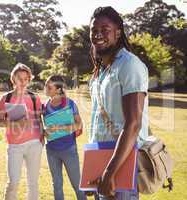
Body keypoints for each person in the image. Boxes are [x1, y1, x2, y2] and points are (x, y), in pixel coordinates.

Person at [88, 6, 149, 200]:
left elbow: (133, 124)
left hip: (121, 166)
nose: (98, 34)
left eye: (105, 29)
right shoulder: (101, 70)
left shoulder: (129, 65)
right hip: (101, 161)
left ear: (118, 32)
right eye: (94, 30)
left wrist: (109, 172)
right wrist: (92, 169)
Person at [0, 63, 43, 200]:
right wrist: (16, 123)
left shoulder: (35, 98)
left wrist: (41, 138)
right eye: (19, 78)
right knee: (13, 182)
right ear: (13, 79)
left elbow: (39, 119)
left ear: (29, 80)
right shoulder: (6, 98)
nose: (22, 82)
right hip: (15, 146)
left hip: (34, 144)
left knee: (33, 183)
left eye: (26, 79)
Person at [43, 75, 86, 200]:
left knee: (77, 185)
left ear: (58, 89)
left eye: (49, 86)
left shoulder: (70, 104)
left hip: (69, 150)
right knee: (57, 185)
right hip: (51, 150)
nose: (45, 88)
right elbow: (43, 127)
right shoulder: (44, 105)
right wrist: (44, 131)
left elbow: (79, 125)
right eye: (46, 85)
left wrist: (60, 128)